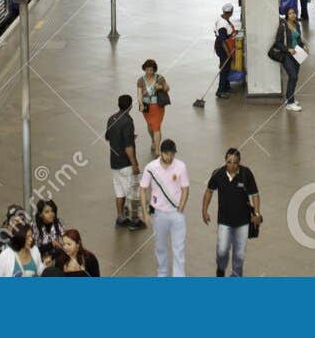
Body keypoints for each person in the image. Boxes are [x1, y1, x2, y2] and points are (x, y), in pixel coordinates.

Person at [201, 147, 261, 276]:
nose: (232, 165)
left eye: (235, 162)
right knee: (222, 251)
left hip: (243, 222)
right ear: (225, 161)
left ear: (239, 162)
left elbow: (255, 194)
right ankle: (221, 268)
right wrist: (204, 211)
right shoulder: (218, 174)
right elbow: (209, 191)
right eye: (229, 162)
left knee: (239, 255)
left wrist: (256, 214)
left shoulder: (246, 173)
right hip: (224, 221)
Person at [139, 139, 190, 277]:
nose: (169, 157)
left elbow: (185, 188)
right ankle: (162, 274)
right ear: (161, 153)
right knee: (160, 248)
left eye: (172, 154)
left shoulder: (181, 166)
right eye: (167, 154)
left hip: (176, 214)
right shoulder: (151, 167)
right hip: (158, 214)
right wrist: (145, 213)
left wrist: (181, 207)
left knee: (179, 249)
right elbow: (143, 189)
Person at [106, 94, 145, 228]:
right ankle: (134, 220)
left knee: (119, 192)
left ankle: (120, 217)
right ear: (130, 106)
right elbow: (128, 147)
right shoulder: (128, 121)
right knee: (133, 192)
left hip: (114, 163)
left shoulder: (111, 119)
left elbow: (108, 136)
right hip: (125, 163)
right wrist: (134, 164)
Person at [137, 59, 170, 158]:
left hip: (158, 107)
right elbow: (139, 94)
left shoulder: (159, 78)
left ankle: (157, 150)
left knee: (156, 127)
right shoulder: (140, 80)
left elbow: (167, 88)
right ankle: (153, 140)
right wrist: (140, 103)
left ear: (154, 70)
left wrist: (160, 87)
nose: (149, 72)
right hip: (146, 107)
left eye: (151, 70)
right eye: (147, 69)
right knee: (150, 126)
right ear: (144, 69)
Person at [273, 8, 305, 111]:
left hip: (297, 54)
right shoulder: (283, 26)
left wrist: (303, 46)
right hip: (286, 55)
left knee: (295, 77)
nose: (293, 15)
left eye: (294, 13)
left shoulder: (297, 25)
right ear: (286, 15)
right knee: (293, 76)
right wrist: (288, 49)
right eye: (290, 13)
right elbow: (278, 42)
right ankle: (290, 103)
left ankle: (289, 98)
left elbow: (298, 39)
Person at [214, 4, 238, 99]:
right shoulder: (222, 24)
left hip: (225, 46)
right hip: (223, 48)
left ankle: (226, 87)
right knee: (224, 69)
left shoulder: (224, 19)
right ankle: (220, 91)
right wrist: (228, 53)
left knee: (227, 68)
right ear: (230, 12)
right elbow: (223, 40)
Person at [32, 198, 64, 263]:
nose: (51, 214)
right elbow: (34, 250)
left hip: (57, 260)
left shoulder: (59, 223)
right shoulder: (34, 226)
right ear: (40, 214)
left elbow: (64, 245)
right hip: (40, 262)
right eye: (47, 212)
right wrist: (51, 244)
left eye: (52, 211)